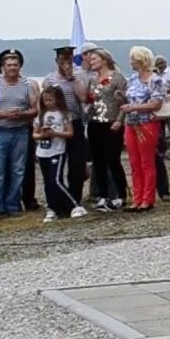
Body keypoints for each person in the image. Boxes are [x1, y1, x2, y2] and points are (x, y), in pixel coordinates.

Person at [0, 50, 39, 220]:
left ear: (20, 66)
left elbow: (35, 108)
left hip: (20, 131)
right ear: (3, 67)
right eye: (9, 65)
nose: (12, 68)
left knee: (17, 169)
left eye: (15, 64)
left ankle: (13, 204)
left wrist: (23, 114)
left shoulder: (27, 85)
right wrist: (4, 114)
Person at [82, 45, 129, 211]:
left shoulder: (117, 78)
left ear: (104, 60)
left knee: (113, 159)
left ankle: (120, 195)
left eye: (94, 59)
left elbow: (124, 101)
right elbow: (87, 100)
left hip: (112, 122)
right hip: (95, 122)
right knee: (98, 161)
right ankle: (102, 196)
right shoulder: (92, 80)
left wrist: (119, 120)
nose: (91, 61)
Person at [121, 46, 166, 212]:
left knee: (147, 161)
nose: (130, 62)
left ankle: (148, 198)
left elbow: (156, 103)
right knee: (134, 162)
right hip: (131, 123)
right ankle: (137, 198)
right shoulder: (132, 79)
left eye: (132, 59)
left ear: (140, 60)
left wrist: (134, 107)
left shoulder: (154, 80)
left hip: (146, 124)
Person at [44, 45, 89, 205]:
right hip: (56, 124)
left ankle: (75, 196)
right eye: (63, 60)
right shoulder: (50, 79)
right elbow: (44, 102)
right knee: (55, 162)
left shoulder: (78, 77)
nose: (66, 63)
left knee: (76, 163)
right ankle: (58, 198)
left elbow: (83, 98)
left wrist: (72, 78)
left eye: (69, 60)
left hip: (74, 121)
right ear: (57, 61)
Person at [33, 85, 86, 221]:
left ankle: (75, 204)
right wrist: (42, 135)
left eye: (51, 100)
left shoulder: (64, 114)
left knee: (56, 180)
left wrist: (55, 133)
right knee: (47, 182)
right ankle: (52, 208)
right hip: (43, 151)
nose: (48, 103)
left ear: (57, 100)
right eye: (45, 100)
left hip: (57, 151)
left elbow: (70, 133)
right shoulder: (41, 115)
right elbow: (35, 134)